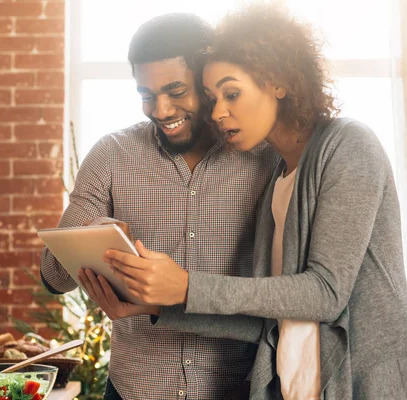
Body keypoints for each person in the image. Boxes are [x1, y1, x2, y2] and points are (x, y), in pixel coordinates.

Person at [97, 4, 407, 399]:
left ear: (277, 81)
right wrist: (159, 307)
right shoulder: (276, 181)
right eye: (212, 98)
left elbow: (325, 294)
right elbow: (270, 322)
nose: (219, 112)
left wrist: (188, 286)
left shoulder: (350, 145)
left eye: (232, 93)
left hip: (376, 387)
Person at [40, 12, 278, 400]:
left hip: (236, 387)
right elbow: (53, 277)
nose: (161, 110)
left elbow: (279, 293)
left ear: (206, 82)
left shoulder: (262, 156)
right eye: (146, 95)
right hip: (133, 388)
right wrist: (92, 232)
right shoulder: (112, 154)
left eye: (176, 91)